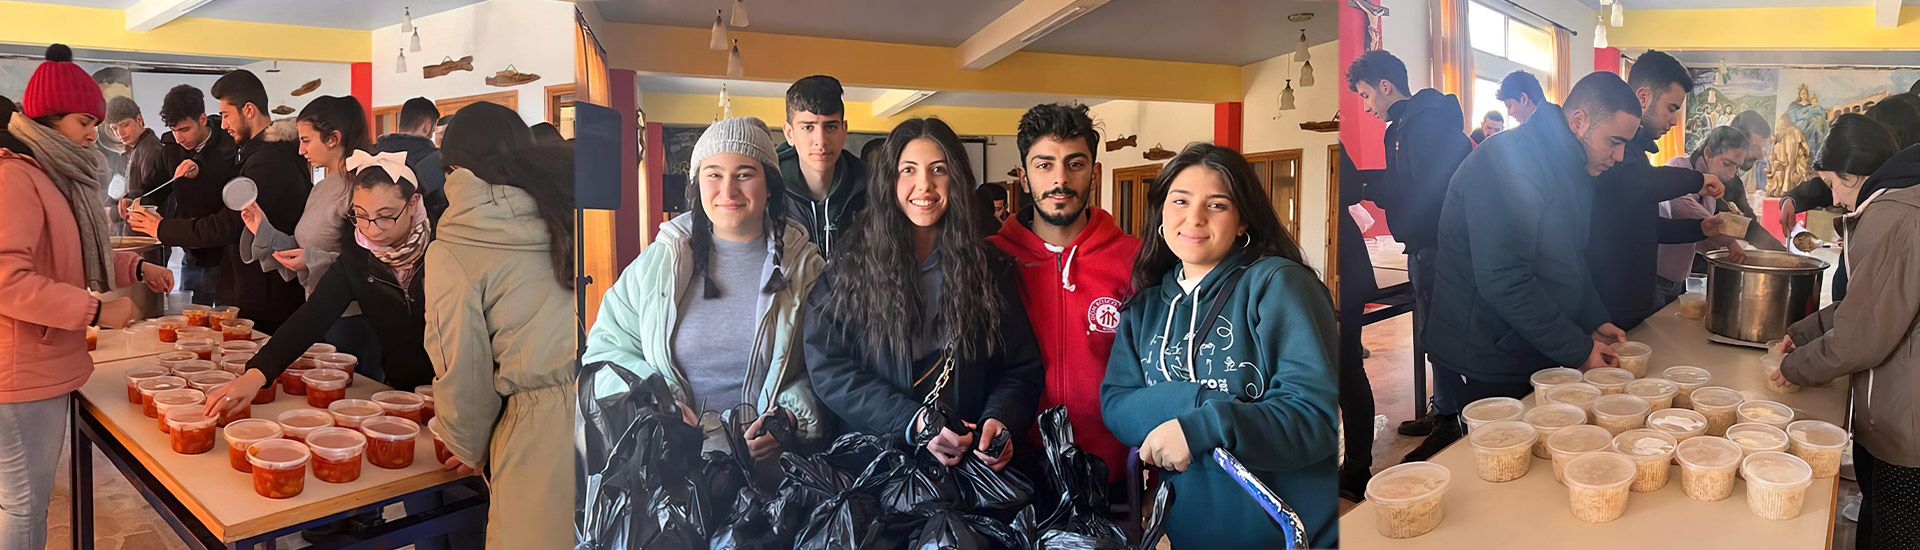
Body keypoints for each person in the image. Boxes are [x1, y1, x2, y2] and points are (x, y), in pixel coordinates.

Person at [1100, 143, 1338, 548]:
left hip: (1287, 535)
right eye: (1180, 201)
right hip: (1192, 534)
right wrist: (1198, 403)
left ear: (1242, 220)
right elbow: (1117, 405)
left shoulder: (1277, 285)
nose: (1194, 218)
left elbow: (1316, 419)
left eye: (1217, 205)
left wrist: (1204, 425)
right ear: (1161, 213)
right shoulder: (1143, 309)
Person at [0, 44, 172, 550]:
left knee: (24, 501)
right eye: (83, 121)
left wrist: (136, 266)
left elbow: (74, 253)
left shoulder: (56, 174)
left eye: (96, 121)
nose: (93, 133)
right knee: (24, 506)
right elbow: (7, 280)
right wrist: (95, 308)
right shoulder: (15, 177)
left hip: (46, 360)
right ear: (47, 119)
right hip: (21, 370)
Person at [582, 116, 829, 470]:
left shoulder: (808, 271)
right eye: (713, 174)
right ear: (698, 184)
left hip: (773, 480)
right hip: (670, 473)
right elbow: (606, 349)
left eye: (744, 174)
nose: (727, 191)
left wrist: (790, 417)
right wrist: (654, 400)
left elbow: (832, 364)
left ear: (770, 185)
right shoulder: (659, 263)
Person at [1423, 72, 1645, 460]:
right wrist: (1577, 349)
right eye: (1615, 141)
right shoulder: (1507, 161)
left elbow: (1569, 254)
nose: (1619, 156)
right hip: (1486, 348)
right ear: (1578, 121)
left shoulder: (1572, 166)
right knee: (1500, 464)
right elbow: (1504, 280)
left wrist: (1592, 317)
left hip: (1528, 342)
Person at [804, 117, 1042, 471]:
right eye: (908, 170)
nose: (924, 185)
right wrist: (912, 422)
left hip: (964, 468)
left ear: (957, 180)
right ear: (890, 181)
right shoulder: (850, 267)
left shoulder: (988, 269)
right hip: (877, 466)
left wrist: (1000, 419)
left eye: (938, 170)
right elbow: (829, 367)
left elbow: (1019, 369)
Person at [425, 102, 577, 548]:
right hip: (617, 412)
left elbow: (464, 369)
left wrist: (466, 445)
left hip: (541, 436)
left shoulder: (456, 243)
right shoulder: (568, 209)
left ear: (452, 167)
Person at [205, 149, 437, 418]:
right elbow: (311, 316)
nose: (372, 229)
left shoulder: (443, 250)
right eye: (360, 215)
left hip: (462, 396)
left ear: (413, 203)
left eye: (386, 216)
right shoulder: (358, 259)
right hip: (402, 394)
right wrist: (257, 374)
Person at [985, 103, 1141, 492]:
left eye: (1074, 164)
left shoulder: (1136, 261)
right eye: (1044, 165)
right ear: (1023, 176)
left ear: (1095, 171)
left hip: (1111, 474)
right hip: (1008, 471)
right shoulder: (986, 260)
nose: (1060, 179)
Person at [1775, 114, 1908, 550]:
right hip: (1898, 413)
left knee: (1894, 534)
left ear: (1858, 173)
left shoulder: (1894, 215)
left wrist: (1792, 367)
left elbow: (1860, 337)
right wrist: (1807, 330)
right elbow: (1869, 302)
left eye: (1834, 183)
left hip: (1909, 430)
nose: (1833, 196)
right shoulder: (1901, 202)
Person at [1346, 48, 1473, 457]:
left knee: (1440, 333)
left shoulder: (1424, 125)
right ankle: (1444, 409)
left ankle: (1450, 419)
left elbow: (1426, 192)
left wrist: (1368, 191)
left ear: (1386, 86)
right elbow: (1402, 184)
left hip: (1438, 243)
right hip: (1423, 243)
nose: (1367, 107)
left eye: (1367, 95)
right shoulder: (1401, 127)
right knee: (1431, 331)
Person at [129, 70, 308, 333]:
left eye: (226, 115)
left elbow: (229, 224)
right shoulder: (255, 153)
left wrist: (162, 228)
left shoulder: (268, 160)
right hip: (255, 287)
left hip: (268, 293)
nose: (223, 124)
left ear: (248, 110)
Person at [237, 96, 390, 381]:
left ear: (333, 138)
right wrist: (263, 229)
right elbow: (305, 249)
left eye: (306, 140)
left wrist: (313, 259)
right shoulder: (323, 186)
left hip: (355, 319)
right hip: (320, 313)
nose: (300, 149)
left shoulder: (364, 188)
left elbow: (374, 261)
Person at [1585, 50, 1729, 333]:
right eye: (1672, 108)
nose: (1674, 121)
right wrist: (1696, 179)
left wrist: (1701, 228)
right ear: (1643, 98)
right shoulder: (1619, 154)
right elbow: (1639, 182)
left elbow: (1646, 228)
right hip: (1607, 300)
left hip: (1631, 298)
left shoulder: (1637, 153)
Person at [1657, 126, 1751, 304]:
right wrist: (1728, 240)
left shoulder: (1711, 194)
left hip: (1678, 280)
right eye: (1727, 163)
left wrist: (1724, 254)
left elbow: (1698, 235)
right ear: (1707, 152)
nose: (1731, 174)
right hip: (1655, 277)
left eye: (1736, 168)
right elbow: (1681, 207)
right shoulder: (1678, 166)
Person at [778, 75, 868, 258]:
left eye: (831, 127)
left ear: (844, 131)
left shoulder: (872, 189)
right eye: (808, 127)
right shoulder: (765, 190)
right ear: (789, 133)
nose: (821, 141)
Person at [376, 97, 448, 226]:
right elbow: (442, 210)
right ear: (426, 126)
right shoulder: (436, 160)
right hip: (421, 240)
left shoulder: (374, 154)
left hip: (375, 235)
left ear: (400, 125)